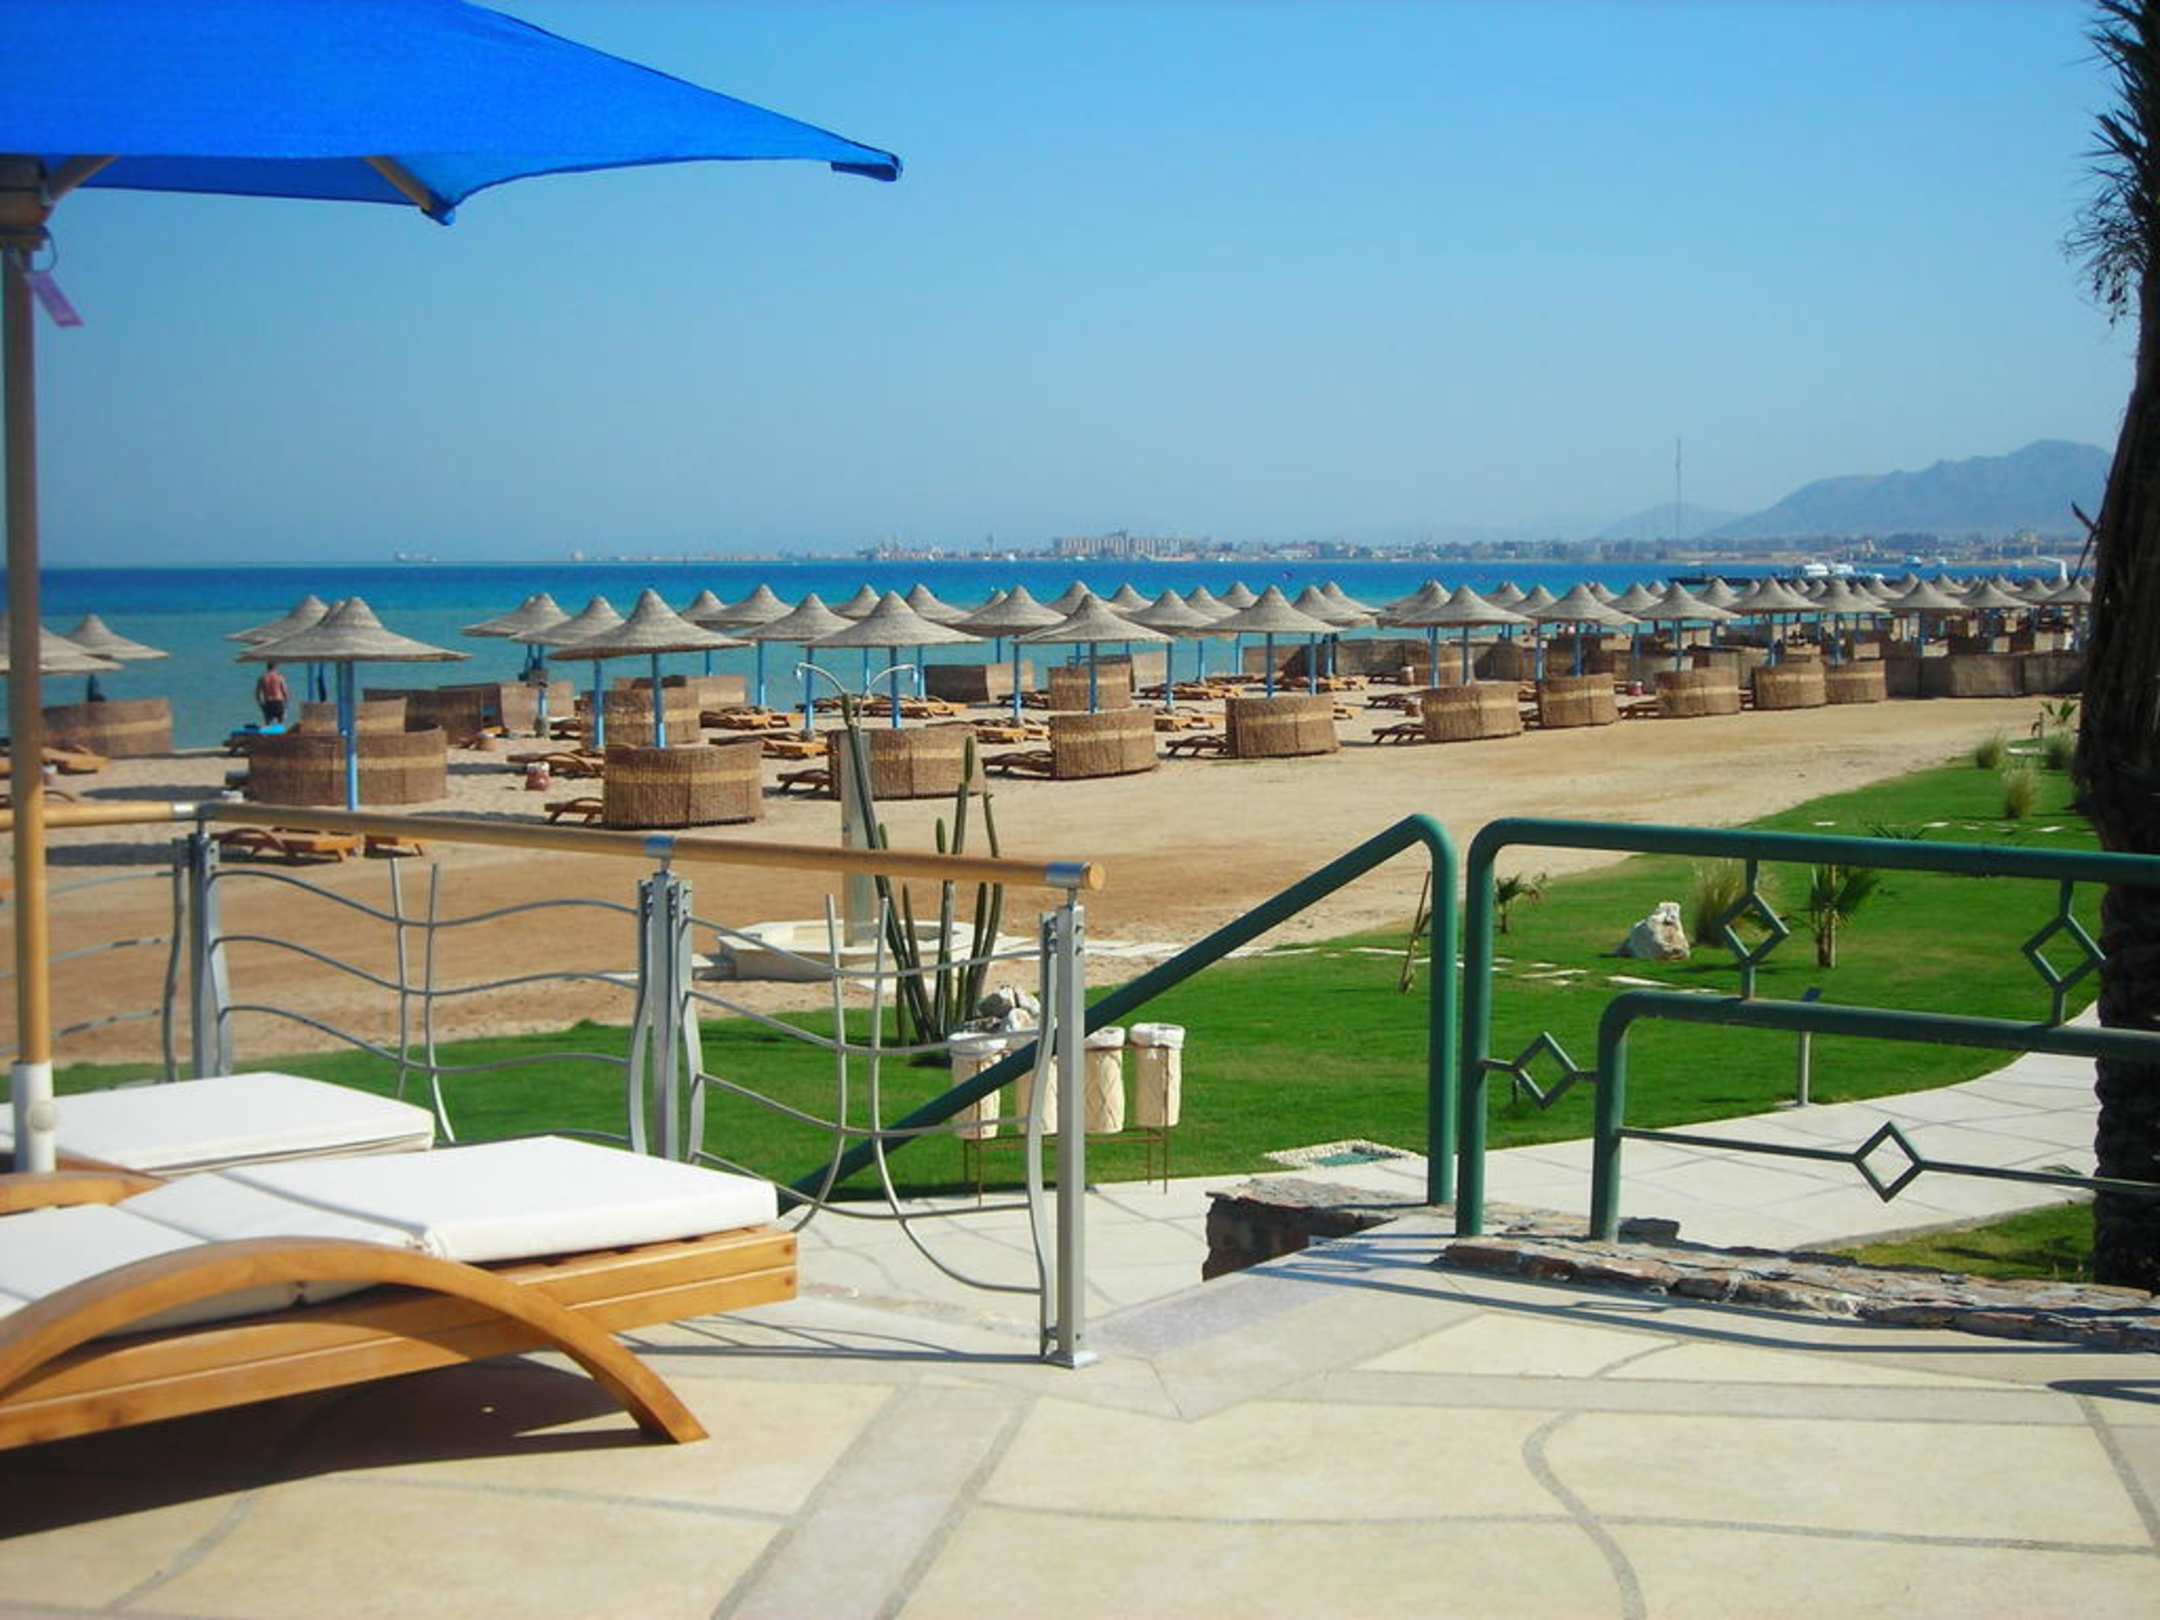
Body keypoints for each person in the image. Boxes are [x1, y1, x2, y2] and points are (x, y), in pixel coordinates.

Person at [255, 661, 290, 726]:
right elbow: (285, 692)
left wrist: (261, 705)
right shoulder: (280, 677)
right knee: (280, 725)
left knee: (268, 725)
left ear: (267, 667)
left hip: (268, 703)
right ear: (276, 667)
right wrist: (286, 707)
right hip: (279, 702)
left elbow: (257, 694)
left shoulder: (262, 678)